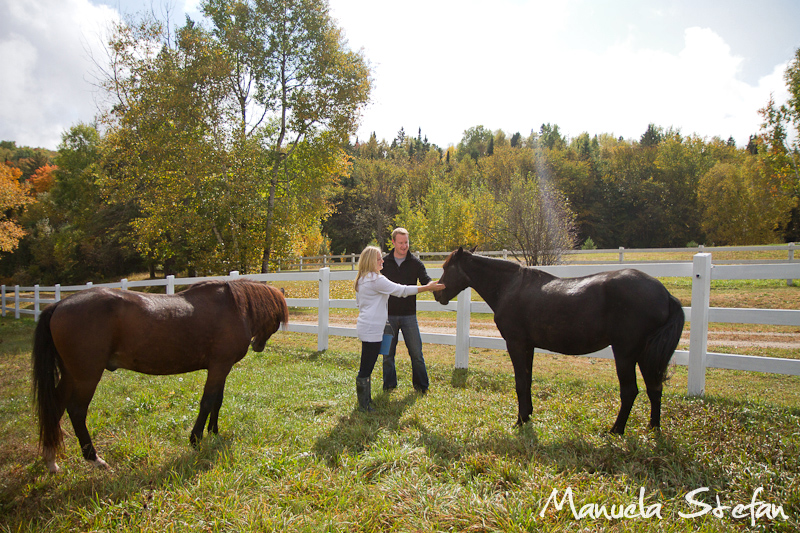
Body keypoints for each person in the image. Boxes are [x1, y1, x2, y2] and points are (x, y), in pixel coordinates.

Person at [354, 246, 444, 412]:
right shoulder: (375, 279)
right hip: (373, 328)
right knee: (367, 366)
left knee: (366, 363)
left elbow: (359, 304)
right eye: (379, 259)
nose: (382, 261)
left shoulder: (362, 279)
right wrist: (426, 288)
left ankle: (365, 402)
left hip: (365, 325)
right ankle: (364, 405)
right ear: (370, 261)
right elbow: (401, 290)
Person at [381, 228, 433, 393]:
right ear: (393, 242)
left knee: (416, 353)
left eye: (406, 242)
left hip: (409, 316)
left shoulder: (415, 263)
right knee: (387, 355)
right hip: (387, 316)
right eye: (401, 242)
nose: (404, 246)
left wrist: (435, 285)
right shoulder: (383, 262)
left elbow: (426, 281)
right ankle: (389, 385)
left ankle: (421, 386)